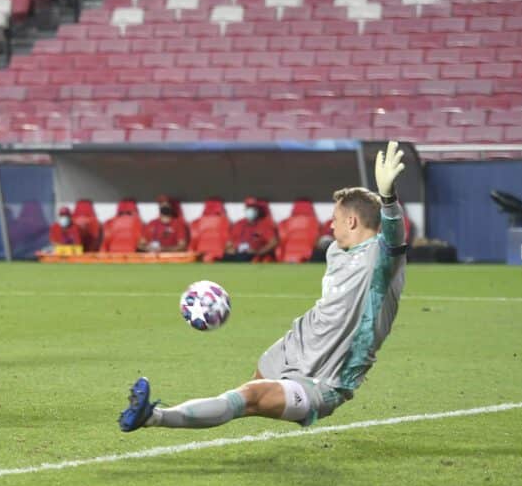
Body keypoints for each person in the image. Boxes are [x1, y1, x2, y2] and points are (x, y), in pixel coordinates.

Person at [119, 142, 408, 433]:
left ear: (352, 220)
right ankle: (177, 414)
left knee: (250, 399)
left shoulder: (381, 260)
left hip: (326, 378)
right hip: (296, 344)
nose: (330, 226)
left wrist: (388, 198)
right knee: (248, 392)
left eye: (334, 219)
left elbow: (394, 237)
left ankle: (153, 416)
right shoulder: (335, 250)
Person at [224, 196, 278, 262]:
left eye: (253, 208)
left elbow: (273, 242)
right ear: (245, 209)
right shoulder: (238, 224)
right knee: (225, 257)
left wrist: (258, 252)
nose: (251, 210)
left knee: (242, 258)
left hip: (251, 254)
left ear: (257, 210)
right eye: (248, 208)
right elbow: (229, 242)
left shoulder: (264, 225)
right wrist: (229, 249)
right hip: (236, 252)